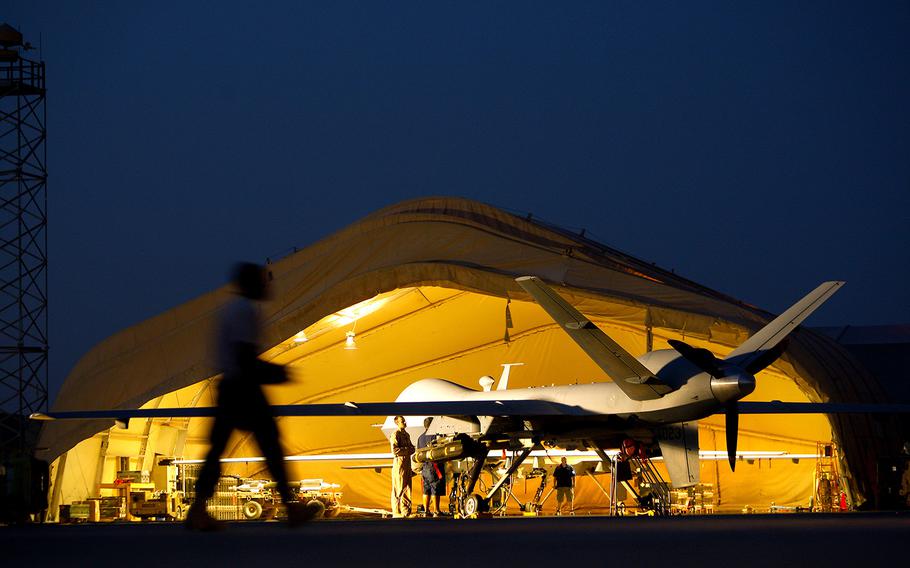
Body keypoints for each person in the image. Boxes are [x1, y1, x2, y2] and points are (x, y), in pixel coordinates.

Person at [185, 262, 308, 530]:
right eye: (264, 281)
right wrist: (278, 373)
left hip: (230, 387)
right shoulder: (244, 311)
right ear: (252, 284)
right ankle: (291, 506)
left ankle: (197, 510)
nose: (268, 285)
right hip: (243, 388)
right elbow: (244, 357)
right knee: (271, 446)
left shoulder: (229, 310)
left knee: (218, 450)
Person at [417, 417, 446, 516]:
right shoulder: (437, 436)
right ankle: (436, 511)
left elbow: (419, 452)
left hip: (425, 467)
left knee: (426, 489)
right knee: (435, 488)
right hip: (435, 466)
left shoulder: (420, 438)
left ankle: (426, 511)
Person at [390, 415, 415, 518]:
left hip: (407, 463)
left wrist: (407, 449)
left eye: (404, 421)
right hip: (399, 464)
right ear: (397, 423)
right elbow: (395, 451)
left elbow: (412, 448)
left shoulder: (406, 435)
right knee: (399, 487)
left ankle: (406, 511)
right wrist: (407, 450)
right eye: (402, 421)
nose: (404, 423)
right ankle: (397, 511)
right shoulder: (395, 434)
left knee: (407, 487)